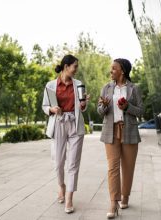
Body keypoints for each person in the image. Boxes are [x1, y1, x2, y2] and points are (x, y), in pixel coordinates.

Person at [42, 54, 89, 214]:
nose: (76, 69)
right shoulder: (50, 85)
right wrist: (52, 109)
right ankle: (61, 185)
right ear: (66, 66)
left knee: (73, 163)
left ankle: (69, 197)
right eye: (75, 66)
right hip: (59, 122)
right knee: (58, 162)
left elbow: (82, 107)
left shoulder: (79, 84)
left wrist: (83, 104)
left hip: (75, 124)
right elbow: (45, 106)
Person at [97, 58, 143, 219]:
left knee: (128, 167)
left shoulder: (134, 88)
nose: (111, 71)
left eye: (113, 68)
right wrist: (104, 105)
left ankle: (125, 196)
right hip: (111, 130)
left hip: (129, 130)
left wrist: (127, 107)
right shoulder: (106, 88)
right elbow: (100, 111)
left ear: (122, 70)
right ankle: (113, 202)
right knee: (112, 168)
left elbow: (141, 111)